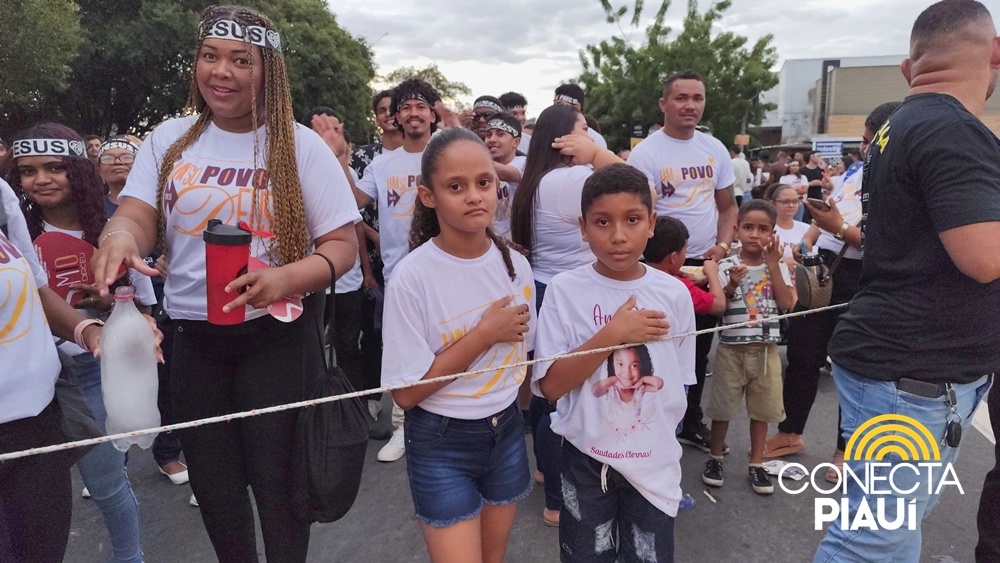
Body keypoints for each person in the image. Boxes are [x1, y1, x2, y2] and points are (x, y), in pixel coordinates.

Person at [91, 6, 362, 561]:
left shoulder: (299, 146)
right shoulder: (168, 139)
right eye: (210, 57)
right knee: (215, 490)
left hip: (277, 338)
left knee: (281, 486)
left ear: (270, 71)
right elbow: (139, 213)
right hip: (195, 339)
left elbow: (341, 246)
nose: (223, 71)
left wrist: (284, 277)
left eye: (242, 60)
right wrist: (120, 233)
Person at [816, 1, 1000, 560]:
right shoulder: (955, 130)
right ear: (994, 54)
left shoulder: (900, 125)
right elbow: (984, 258)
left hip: (905, 367)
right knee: (873, 541)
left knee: (887, 531)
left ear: (907, 68)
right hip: (913, 374)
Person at [381, 127, 534, 563]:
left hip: (505, 432)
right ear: (428, 196)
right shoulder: (414, 277)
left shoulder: (516, 267)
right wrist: (484, 335)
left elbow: (524, 360)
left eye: (484, 183)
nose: (474, 196)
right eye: (456, 186)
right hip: (440, 441)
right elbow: (406, 393)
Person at [7, 123, 156, 563]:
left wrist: (109, 309)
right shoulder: (14, 233)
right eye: (28, 170)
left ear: (79, 170)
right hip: (30, 380)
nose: (42, 179)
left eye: (55, 167)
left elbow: (146, 310)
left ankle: (131, 558)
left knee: (108, 484)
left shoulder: (115, 232)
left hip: (94, 372)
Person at [534, 163, 693, 562]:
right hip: (585, 462)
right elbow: (551, 386)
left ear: (652, 223)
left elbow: (679, 382)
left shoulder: (673, 294)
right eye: (603, 222)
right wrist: (613, 334)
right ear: (583, 226)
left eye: (633, 219)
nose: (618, 236)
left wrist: (653, 441)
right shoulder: (564, 290)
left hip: (653, 464)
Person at [763, 103, 899, 483]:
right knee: (804, 352)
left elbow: (884, 243)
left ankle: (846, 450)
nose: (866, 148)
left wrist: (838, 229)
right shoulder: (858, 170)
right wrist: (804, 247)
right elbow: (828, 217)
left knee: (851, 364)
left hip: (863, 273)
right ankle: (790, 432)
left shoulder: (900, 178)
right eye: (865, 140)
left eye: (873, 142)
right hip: (823, 266)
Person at [627, 69, 737, 454]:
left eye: (698, 98)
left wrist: (722, 248)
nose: (690, 105)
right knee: (658, 344)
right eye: (681, 98)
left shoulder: (715, 149)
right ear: (664, 104)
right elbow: (641, 214)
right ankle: (647, 422)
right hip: (660, 263)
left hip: (705, 262)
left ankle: (690, 422)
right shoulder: (646, 153)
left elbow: (728, 208)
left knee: (698, 348)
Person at [354, 78, 443, 463]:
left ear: (432, 114)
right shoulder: (382, 164)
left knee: (444, 344)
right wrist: (338, 157)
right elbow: (351, 201)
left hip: (445, 269)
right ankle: (403, 428)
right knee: (401, 349)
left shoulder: (445, 155)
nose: (413, 113)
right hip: (398, 274)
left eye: (420, 106)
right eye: (405, 107)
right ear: (395, 118)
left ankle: (442, 419)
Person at [98, 134, 191, 488]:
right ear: (97, 167)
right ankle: (110, 465)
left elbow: (181, 241)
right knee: (110, 390)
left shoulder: (162, 203)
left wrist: (170, 257)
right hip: (105, 311)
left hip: (157, 305)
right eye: (110, 156)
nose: (118, 161)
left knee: (161, 383)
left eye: (127, 155)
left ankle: (167, 454)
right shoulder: (91, 207)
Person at [702, 200, 795, 495]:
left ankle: (757, 463)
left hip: (766, 350)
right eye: (748, 227)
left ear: (773, 233)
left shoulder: (778, 264)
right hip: (731, 349)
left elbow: (787, 304)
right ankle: (715, 457)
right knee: (722, 409)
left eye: (763, 229)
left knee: (763, 411)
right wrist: (729, 285)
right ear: (736, 230)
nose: (755, 234)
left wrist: (773, 267)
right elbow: (718, 308)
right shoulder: (725, 266)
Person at [349, 89, 399, 429]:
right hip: (369, 255)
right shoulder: (365, 158)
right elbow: (349, 205)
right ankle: (369, 398)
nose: (388, 115)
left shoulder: (428, 153)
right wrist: (374, 238)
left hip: (409, 256)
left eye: (392, 109)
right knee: (373, 332)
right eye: (381, 110)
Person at [645, 216, 726, 318]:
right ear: (674, 257)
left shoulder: (637, 276)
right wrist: (712, 273)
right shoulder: (678, 286)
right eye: (685, 250)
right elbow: (719, 306)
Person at [484, 112, 525, 240]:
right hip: (488, 243)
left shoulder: (524, 163)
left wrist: (474, 155)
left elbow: (510, 173)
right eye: (488, 135)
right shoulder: (481, 165)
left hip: (517, 245)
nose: (492, 139)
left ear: (516, 142)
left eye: (500, 134)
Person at [553, 83, 608, 150]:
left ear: (576, 107)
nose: (555, 108)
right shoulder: (548, 132)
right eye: (554, 104)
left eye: (559, 104)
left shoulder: (594, 138)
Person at [766, 184, 810, 267]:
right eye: (785, 202)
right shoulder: (765, 229)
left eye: (795, 202)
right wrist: (782, 261)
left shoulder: (807, 229)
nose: (791, 205)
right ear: (772, 204)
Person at [798, 151, 830, 223]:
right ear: (811, 157)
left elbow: (826, 185)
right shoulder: (802, 171)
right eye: (818, 156)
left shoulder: (821, 170)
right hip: (806, 197)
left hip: (818, 197)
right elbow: (799, 185)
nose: (819, 158)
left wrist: (820, 183)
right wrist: (810, 184)